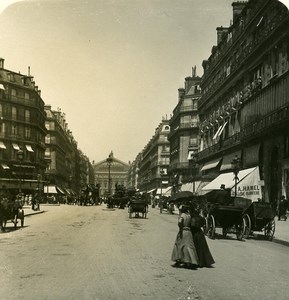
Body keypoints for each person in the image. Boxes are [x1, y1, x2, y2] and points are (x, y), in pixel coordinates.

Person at [171, 204, 199, 269]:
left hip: (183, 231)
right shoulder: (189, 215)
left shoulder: (182, 215)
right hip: (188, 232)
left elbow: (180, 222)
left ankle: (179, 260)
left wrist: (180, 227)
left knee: (179, 245)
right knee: (189, 246)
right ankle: (189, 261)